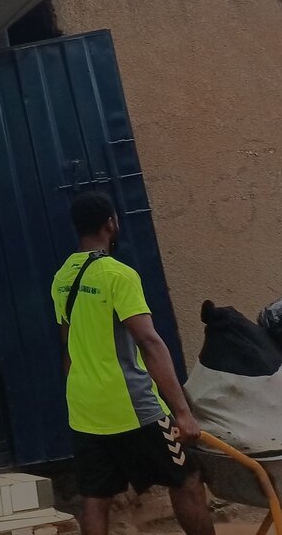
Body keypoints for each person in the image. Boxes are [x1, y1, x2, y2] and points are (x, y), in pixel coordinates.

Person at [51, 191, 215, 535]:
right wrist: (182, 413)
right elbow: (149, 341)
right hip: (131, 406)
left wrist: (78, 395)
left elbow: (67, 346)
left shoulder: (62, 278)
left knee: (95, 498)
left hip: (83, 408)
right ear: (111, 223)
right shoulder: (117, 275)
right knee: (186, 477)